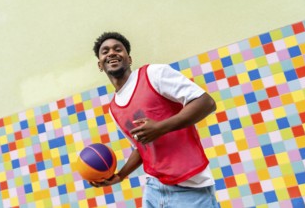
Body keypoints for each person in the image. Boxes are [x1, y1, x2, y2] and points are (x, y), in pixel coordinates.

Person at [91, 32, 218, 208]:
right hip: (154, 188)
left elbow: (206, 103)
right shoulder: (114, 109)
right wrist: (121, 175)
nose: (111, 53)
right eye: (105, 51)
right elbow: (141, 147)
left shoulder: (153, 74)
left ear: (129, 58)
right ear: (100, 64)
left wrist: (160, 128)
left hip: (190, 186)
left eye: (117, 49)